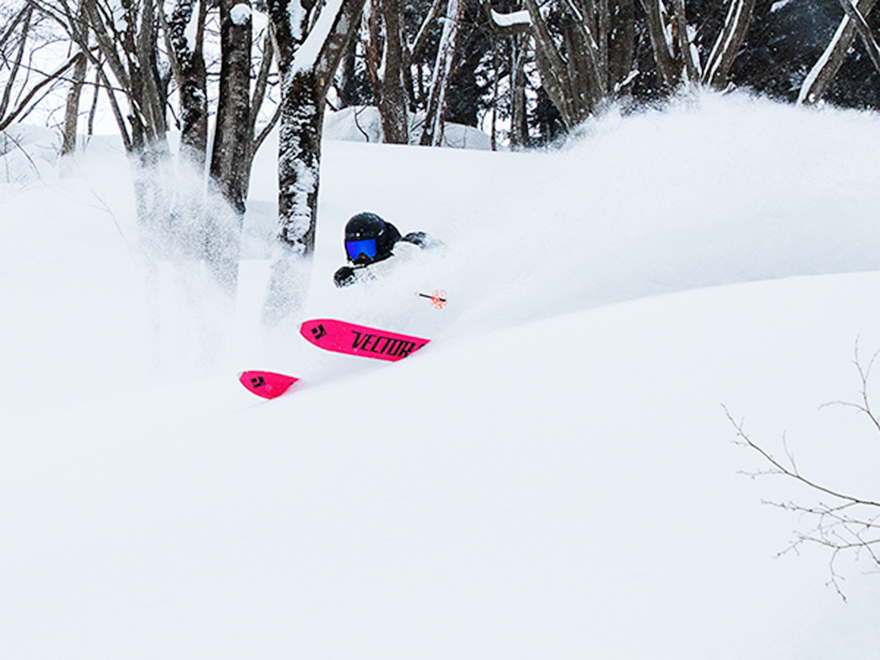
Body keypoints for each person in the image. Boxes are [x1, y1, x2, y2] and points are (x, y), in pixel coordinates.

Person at [333, 212, 432, 287]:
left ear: (381, 243)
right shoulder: (366, 275)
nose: (362, 255)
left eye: (368, 248)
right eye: (355, 250)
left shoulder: (406, 249)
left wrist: (354, 276)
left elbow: (393, 264)